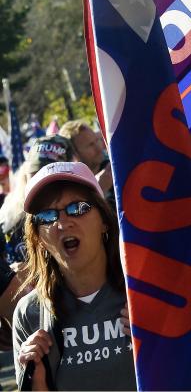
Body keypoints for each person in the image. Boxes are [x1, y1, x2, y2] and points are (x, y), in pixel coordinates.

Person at [13, 161, 134, 390]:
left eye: (77, 208)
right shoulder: (30, 313)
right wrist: (36, 382)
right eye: (47, 215)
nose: (62, 223)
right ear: (38, 237)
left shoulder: (142, 293)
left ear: (104, 222)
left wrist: (162, 341)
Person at [1, 136, 75, 265]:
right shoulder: (9, 219)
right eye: (36, 173)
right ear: (25, 175)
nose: (41, 182)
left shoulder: (79, 214)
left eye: (50, 176)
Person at [58, 121, 111, 197]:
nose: (99, 148)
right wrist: (98, 190)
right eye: (90, 145)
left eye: (96, 140)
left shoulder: (114, 169)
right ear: (74, 154)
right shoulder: (69, 188)